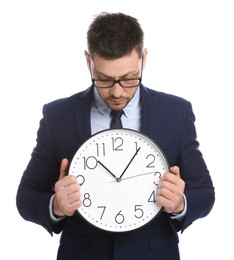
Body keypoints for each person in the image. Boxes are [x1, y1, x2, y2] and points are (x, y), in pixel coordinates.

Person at [16, 12, 215, 260]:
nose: (118, 91)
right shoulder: (58, 116)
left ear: (144, 58)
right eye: (104, 79)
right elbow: (26, 197)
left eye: (130, 78)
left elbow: (205, 192)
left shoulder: (176, 113)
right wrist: (56, 206)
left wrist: (180, 204)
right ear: (88, 61)